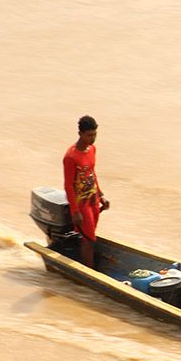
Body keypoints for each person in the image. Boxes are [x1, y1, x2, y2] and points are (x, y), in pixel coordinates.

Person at [63, 115, 109, 268]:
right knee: (89, 239)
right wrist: (75, 211)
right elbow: (68, 185)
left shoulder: (92, 149)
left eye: (95, 134)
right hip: (81, 204)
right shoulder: (71, 157)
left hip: (93, 199)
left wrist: (101, 195)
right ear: (80, 134)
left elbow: (92, 173)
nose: (93, 138)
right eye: (89, 135)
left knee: (89, 237)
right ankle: (88, 271)